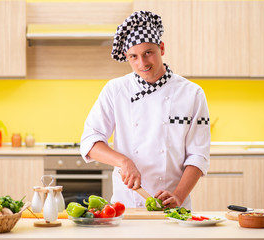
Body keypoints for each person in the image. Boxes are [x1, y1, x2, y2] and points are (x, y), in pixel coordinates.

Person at [80, 11, 210, 210]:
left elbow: (198, 155)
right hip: (126, 205)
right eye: (134, 56)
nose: (142, 64)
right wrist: (123, 161)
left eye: (148, 52)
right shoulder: (115, 90)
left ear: (162, 48)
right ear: (127, 57)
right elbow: (90, 141)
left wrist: (178, 196)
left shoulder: (192, 93)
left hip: (173, 207)